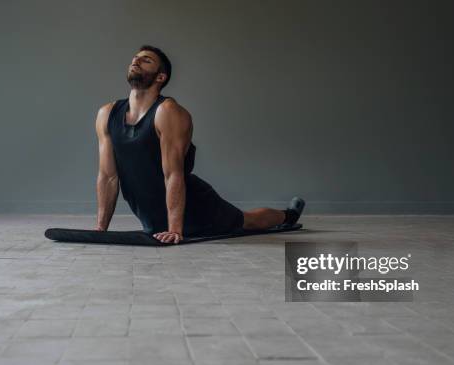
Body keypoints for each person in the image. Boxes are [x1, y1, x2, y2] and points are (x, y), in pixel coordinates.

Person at [95, 45, 305, 244]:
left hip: (195, 206)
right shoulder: (107, 114)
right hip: (151, 213)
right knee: (246, 220)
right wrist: (100, 229)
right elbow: (108, 177)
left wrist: (175, 230)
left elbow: (173, 174)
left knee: (248, 221)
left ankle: (288, 215)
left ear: (161, 77)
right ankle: (286, 215)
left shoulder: (168, 112)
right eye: (135, 58)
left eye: (146, 60)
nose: (137, 61)